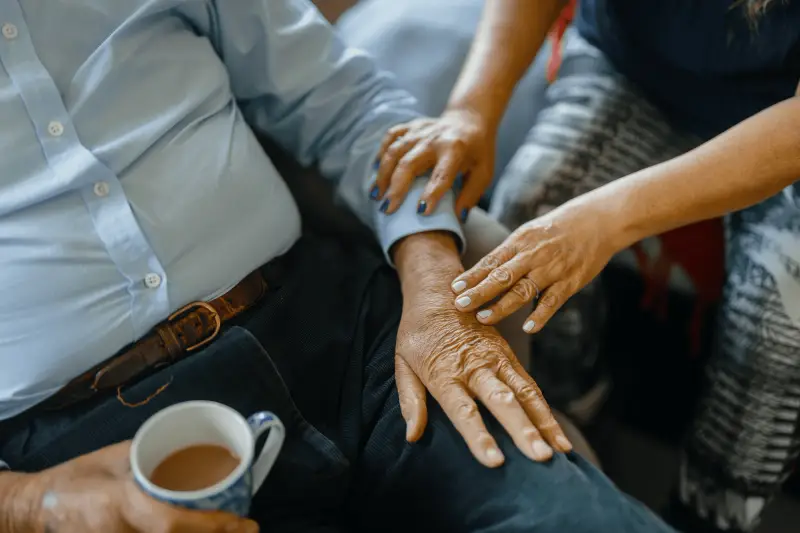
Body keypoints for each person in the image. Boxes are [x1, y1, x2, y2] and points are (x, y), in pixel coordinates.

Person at [0, 0, 676, 532]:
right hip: (94, 451)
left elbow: (342, 101)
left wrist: (433, 279)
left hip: (347, 337)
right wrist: (35, 504)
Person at [361, 0, 800, 531]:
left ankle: (708, 516)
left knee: (780, 325)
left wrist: (609, 218)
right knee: (528, 211)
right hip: (632, 67)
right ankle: (578, 420)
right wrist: (470, 110)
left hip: (784, 111)